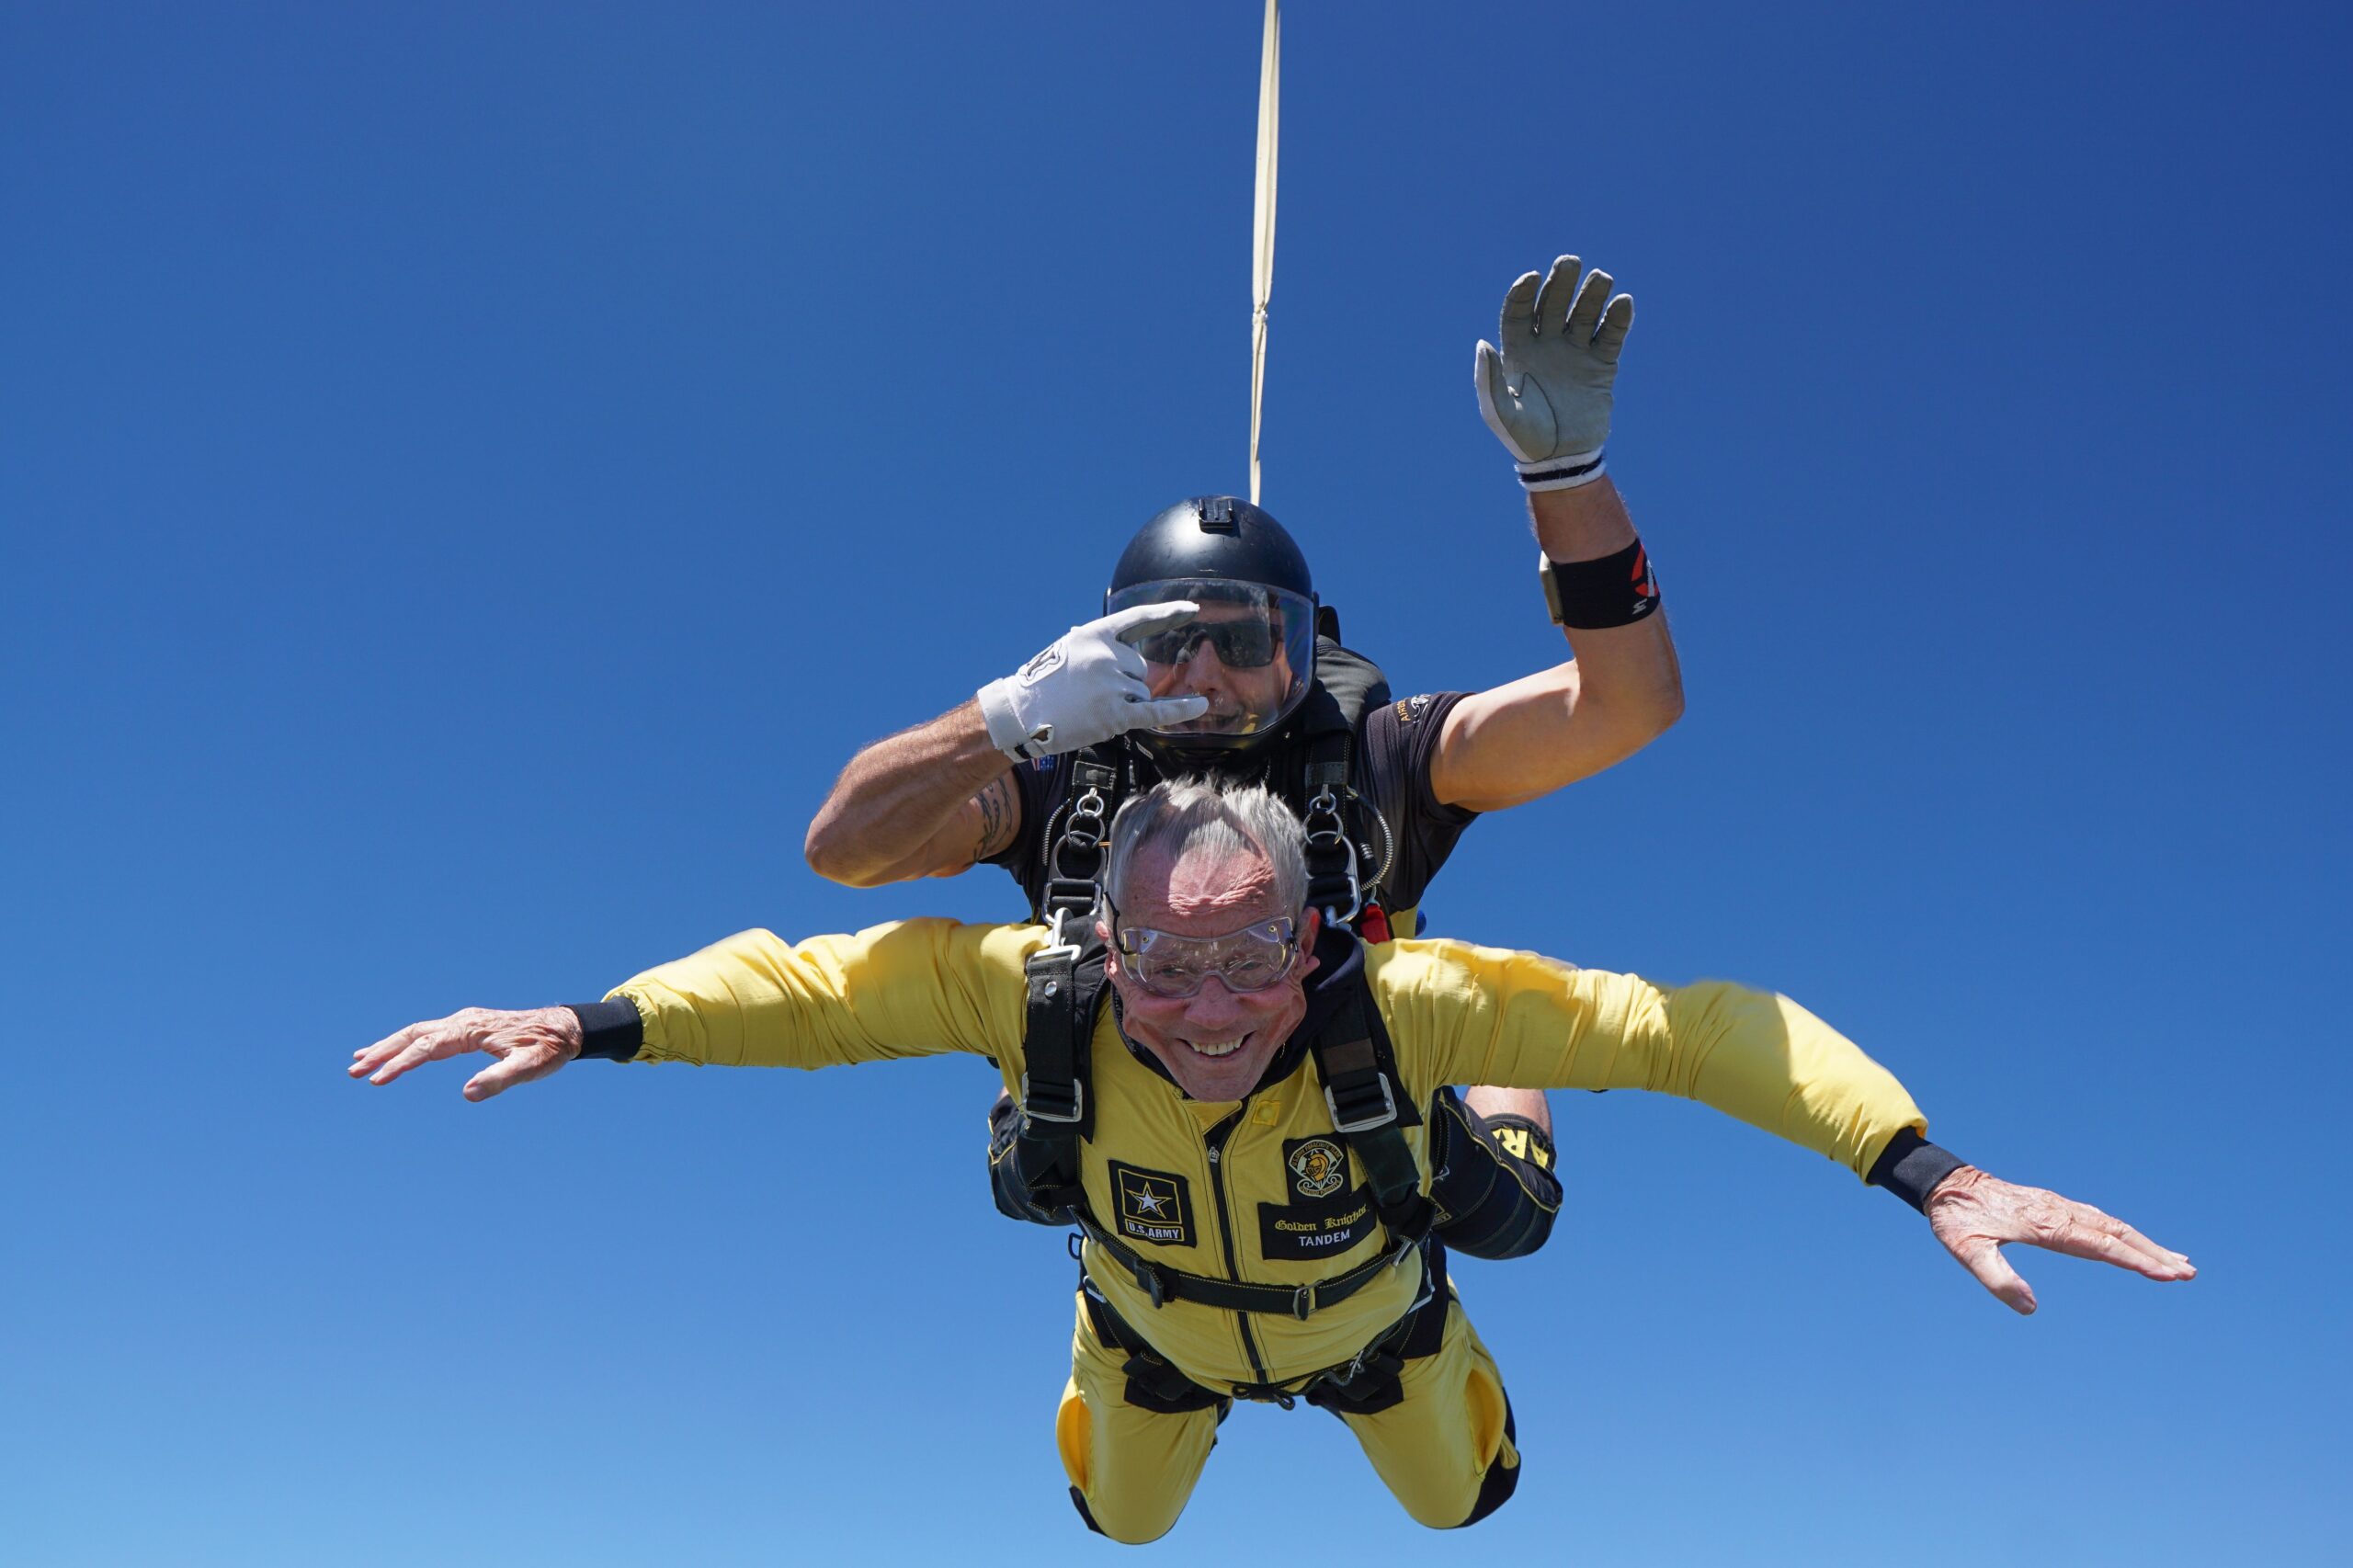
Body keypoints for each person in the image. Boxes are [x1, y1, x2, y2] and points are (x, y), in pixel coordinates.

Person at [351, 779, 2194, 1544]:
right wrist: (593, 1020)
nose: (1211, 998)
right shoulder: (1040, 988)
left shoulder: (1398, 998)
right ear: (1104, 941)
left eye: (1252, 953)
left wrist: (1921, 1166)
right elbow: (810, 983)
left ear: (1321, 939)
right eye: (1165, 958)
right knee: (1119, 1527)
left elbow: (1703, 1029)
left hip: (1374, 1326)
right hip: (1147, 1331)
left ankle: (1502, 1143)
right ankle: (1241, 1319)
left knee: (1459, 1510)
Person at [801, 256, 1683, 1259]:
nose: (1207, 673)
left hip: (1355, 1142)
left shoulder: (1375, 757)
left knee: (1505, 1215)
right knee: (1034, 1160)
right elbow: (843, 849)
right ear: (1108, 653)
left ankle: (1490, 1105)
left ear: (1304, 653)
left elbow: (1626, 706)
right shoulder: (1061, 776)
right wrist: (1005, 714)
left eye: (1249, 639)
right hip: (1148, 1169)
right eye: (1167, 642)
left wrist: (1567, 484)